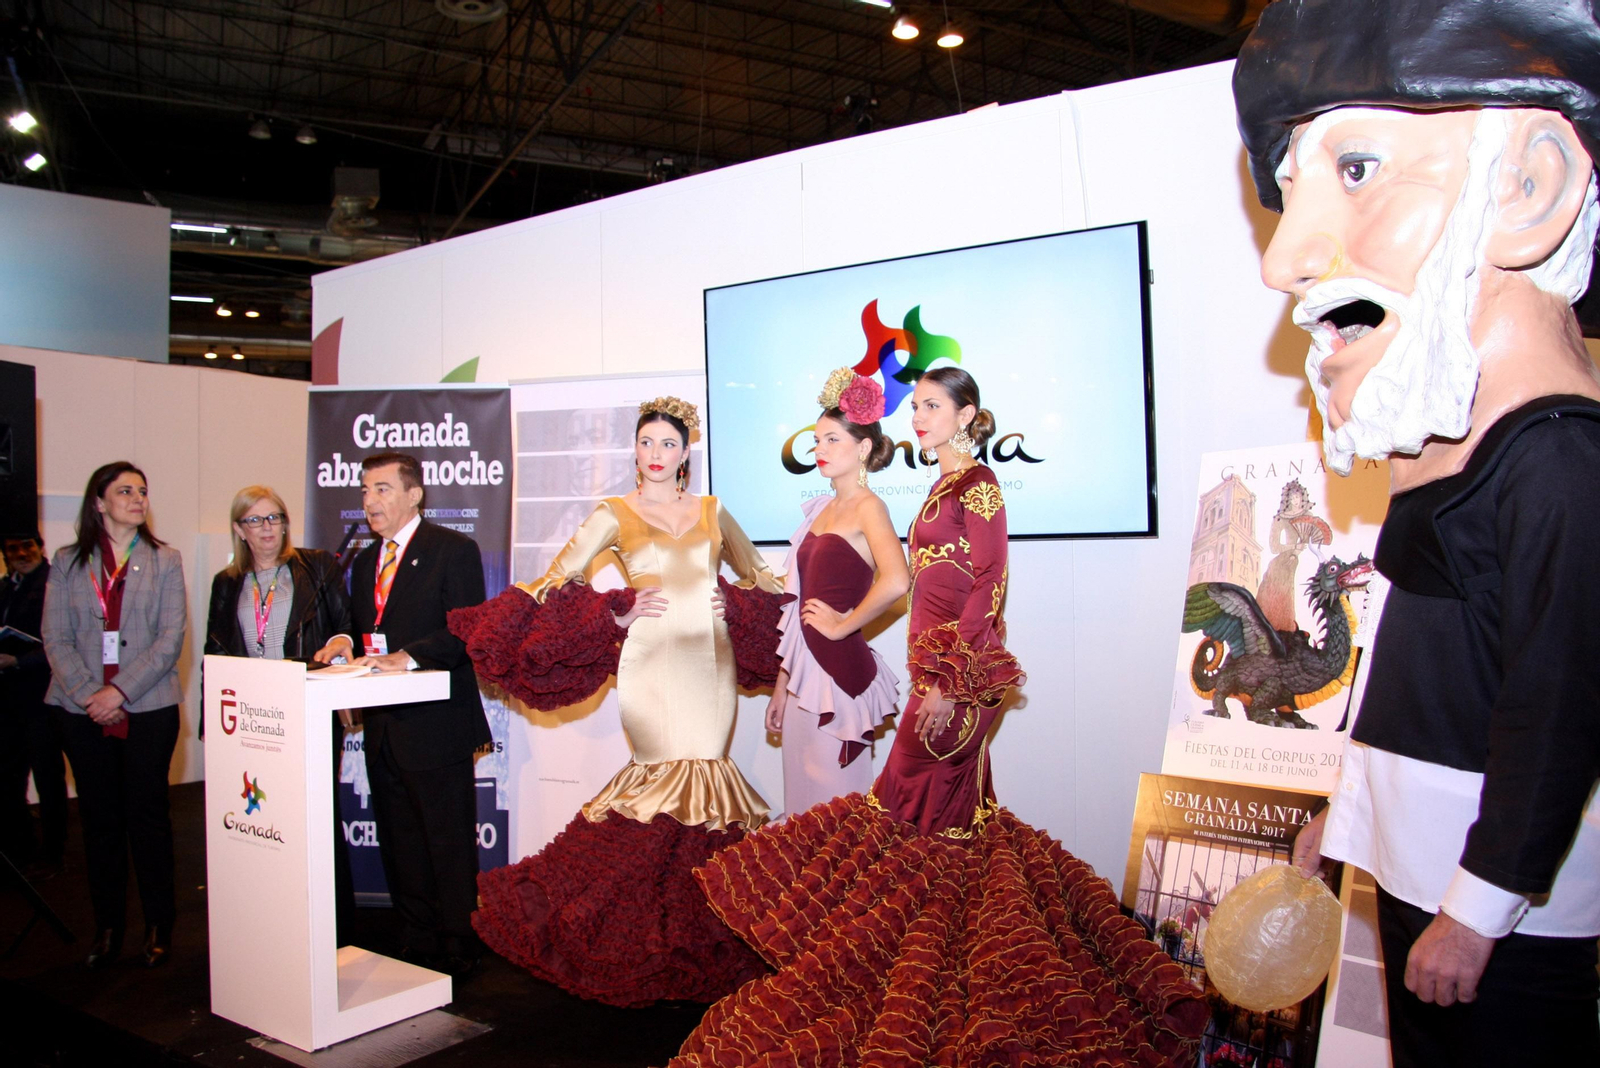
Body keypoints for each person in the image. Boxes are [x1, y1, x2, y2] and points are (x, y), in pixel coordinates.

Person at [1233, 2, 1600, 1063]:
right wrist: (1345, 815)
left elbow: (1559, 706)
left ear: (1529, 186)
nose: (1285, 260)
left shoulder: (1561, 460)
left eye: (1357, 170)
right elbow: (1429, 677)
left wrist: (1480, 910)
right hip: (1416, 865)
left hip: (1495, 906)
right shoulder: (1466, 453)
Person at [668, 368, 1206, 1066]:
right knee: (945, 837)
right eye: (915, 405)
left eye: (931, 406)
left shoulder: (979, 485)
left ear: (967, 414)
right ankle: (941, 992)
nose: (917, 416)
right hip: (935, 676)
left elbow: (989, 586)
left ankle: (916, 988)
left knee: (903, 824)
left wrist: (952, 679)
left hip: (959, 680)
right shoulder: (941, 486)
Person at [448, 396, 789, 1007]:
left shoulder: (712, 510)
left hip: (710, 665)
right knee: (660, 784)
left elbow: (761, 575)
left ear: (685, 454)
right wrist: (616, 612)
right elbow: (558, 576)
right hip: (651, 663)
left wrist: (735, 603)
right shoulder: (614, 512)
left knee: (708, 788)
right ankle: (609, 930)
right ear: (634, 450)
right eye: (646, 442)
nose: (656, 453)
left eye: (668, 444)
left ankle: (688, 942)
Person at [314, 453, 490, 978]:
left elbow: (465, 629)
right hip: (383, 725)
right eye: (365, 490)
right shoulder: (365, 560)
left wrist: (407, 657)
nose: (369, 500)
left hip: (436, 725)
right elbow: (363, 626)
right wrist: (344, 640)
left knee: (446, 840)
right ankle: (417, 936)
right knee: (400, 839)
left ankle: (459, 942)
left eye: (382, 489)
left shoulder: (453, 550)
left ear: (414, 495)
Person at [41, 462, 186, 968]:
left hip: (148, 708)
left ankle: (159, 924)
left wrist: (119, 691)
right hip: (80, 711)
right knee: (99, 821)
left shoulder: (165, 560)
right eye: (125, 491)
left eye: (142, 490)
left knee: (149, 819)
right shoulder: (67, 562)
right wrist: (91, 696)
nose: (138, 498)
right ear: (99, 503)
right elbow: (55, 637)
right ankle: (107, 927)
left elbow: (170, 640)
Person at [204, 485, 356, 941]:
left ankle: (333, 925)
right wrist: (213, 723)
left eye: (275, 517)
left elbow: (345, 627)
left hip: (306, 710)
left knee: (315, 816)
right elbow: (216, 652)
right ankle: (272, 921)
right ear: (239, 530)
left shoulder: (317, 566)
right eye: (255, 520)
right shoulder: (226, 582)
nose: (267, 528)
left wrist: (341, 642)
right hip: (252, 720)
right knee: (262, 820)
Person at [766, 369, 906, 816]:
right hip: (803, 677)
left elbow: (898, 580)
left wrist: (844, 625)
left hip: (840, 673)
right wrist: (781, 685)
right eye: (817, 441)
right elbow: (795, 608)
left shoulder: (870, 506)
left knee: (836, 809)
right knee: (801, 804)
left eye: (832, 440)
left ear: (863, 448)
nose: (819, 450)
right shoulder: (821, 508)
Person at [0, 531, 67, 875]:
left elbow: (63, 642)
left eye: (27, 546)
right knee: (9, 775)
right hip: (8, 696)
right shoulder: (5, 587)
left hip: (43, 694)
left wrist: (19, 660)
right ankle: (18, 847)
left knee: (47, 775)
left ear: (40, 548)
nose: (21, 554)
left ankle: (53, 854)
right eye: (13, 549)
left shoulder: (55, 583)